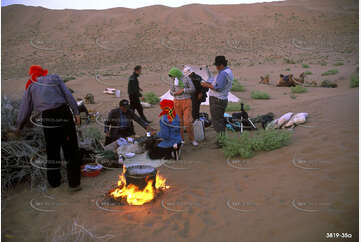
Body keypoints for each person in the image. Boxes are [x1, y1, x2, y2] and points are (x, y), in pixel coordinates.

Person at [16, 65, 82, 192]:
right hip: (63, 114)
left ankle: (54, 182)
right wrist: (76, 112)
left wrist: (19, 127)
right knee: (71, 149)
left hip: (47, 119)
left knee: (52, 150)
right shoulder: (54, 78)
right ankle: (74, 184)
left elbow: (25, 108)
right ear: (43, 73)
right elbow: (68, 95)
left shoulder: (31, 86)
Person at [201, 56, 234, 148]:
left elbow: (218, 88)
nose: (216, 67)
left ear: (221, 65)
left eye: (217, 65)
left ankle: (221, 142)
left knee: (217, 121)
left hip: (217, 100)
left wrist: (206, 85)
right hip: (222, 99)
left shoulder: (223, 74)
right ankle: (222, 139)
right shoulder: (228, 72)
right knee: (219, 120)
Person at [169, 67, 198, 146]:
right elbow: (171, 91)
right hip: (177, 102)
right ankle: (181, 139)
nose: (172, 77)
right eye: (171, 76)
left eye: (173, 75)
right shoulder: (173, 80)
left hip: (186, 101)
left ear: (177, 73)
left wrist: (183, 90)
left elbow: (193, 89)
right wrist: (174, 93)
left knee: (187, 121)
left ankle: (192, 139)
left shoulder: (186, 79)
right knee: (179, 122)